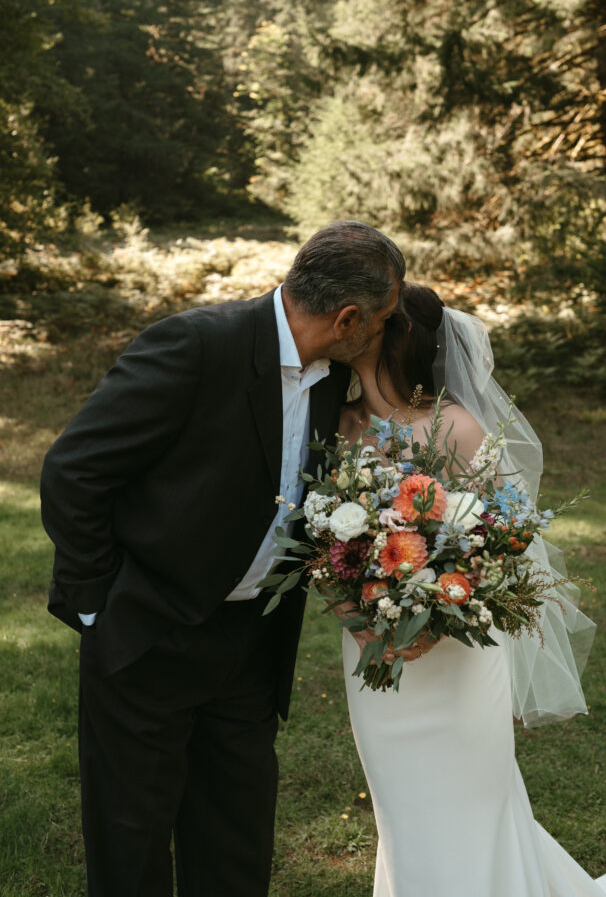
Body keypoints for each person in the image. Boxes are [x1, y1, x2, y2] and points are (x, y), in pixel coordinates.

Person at [40, 220, 404, 897]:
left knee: (235, 839)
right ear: (348, 316)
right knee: (131, 838)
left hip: (250, 645)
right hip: (146, 632)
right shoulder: (196, 344)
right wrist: (98, 604)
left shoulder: (333, 379)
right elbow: (73, 472)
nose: (382, 333)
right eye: (381, 319)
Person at [337, 281, 606, 897]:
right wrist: (362, 616)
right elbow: (328, 546)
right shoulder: (341, 425)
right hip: (374, 650)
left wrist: (444, 600)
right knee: (403, 807)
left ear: (397, 336)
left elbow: (511, 545)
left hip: (460, 653)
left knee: (472, 802)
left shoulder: (462, 428)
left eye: (374, 322)